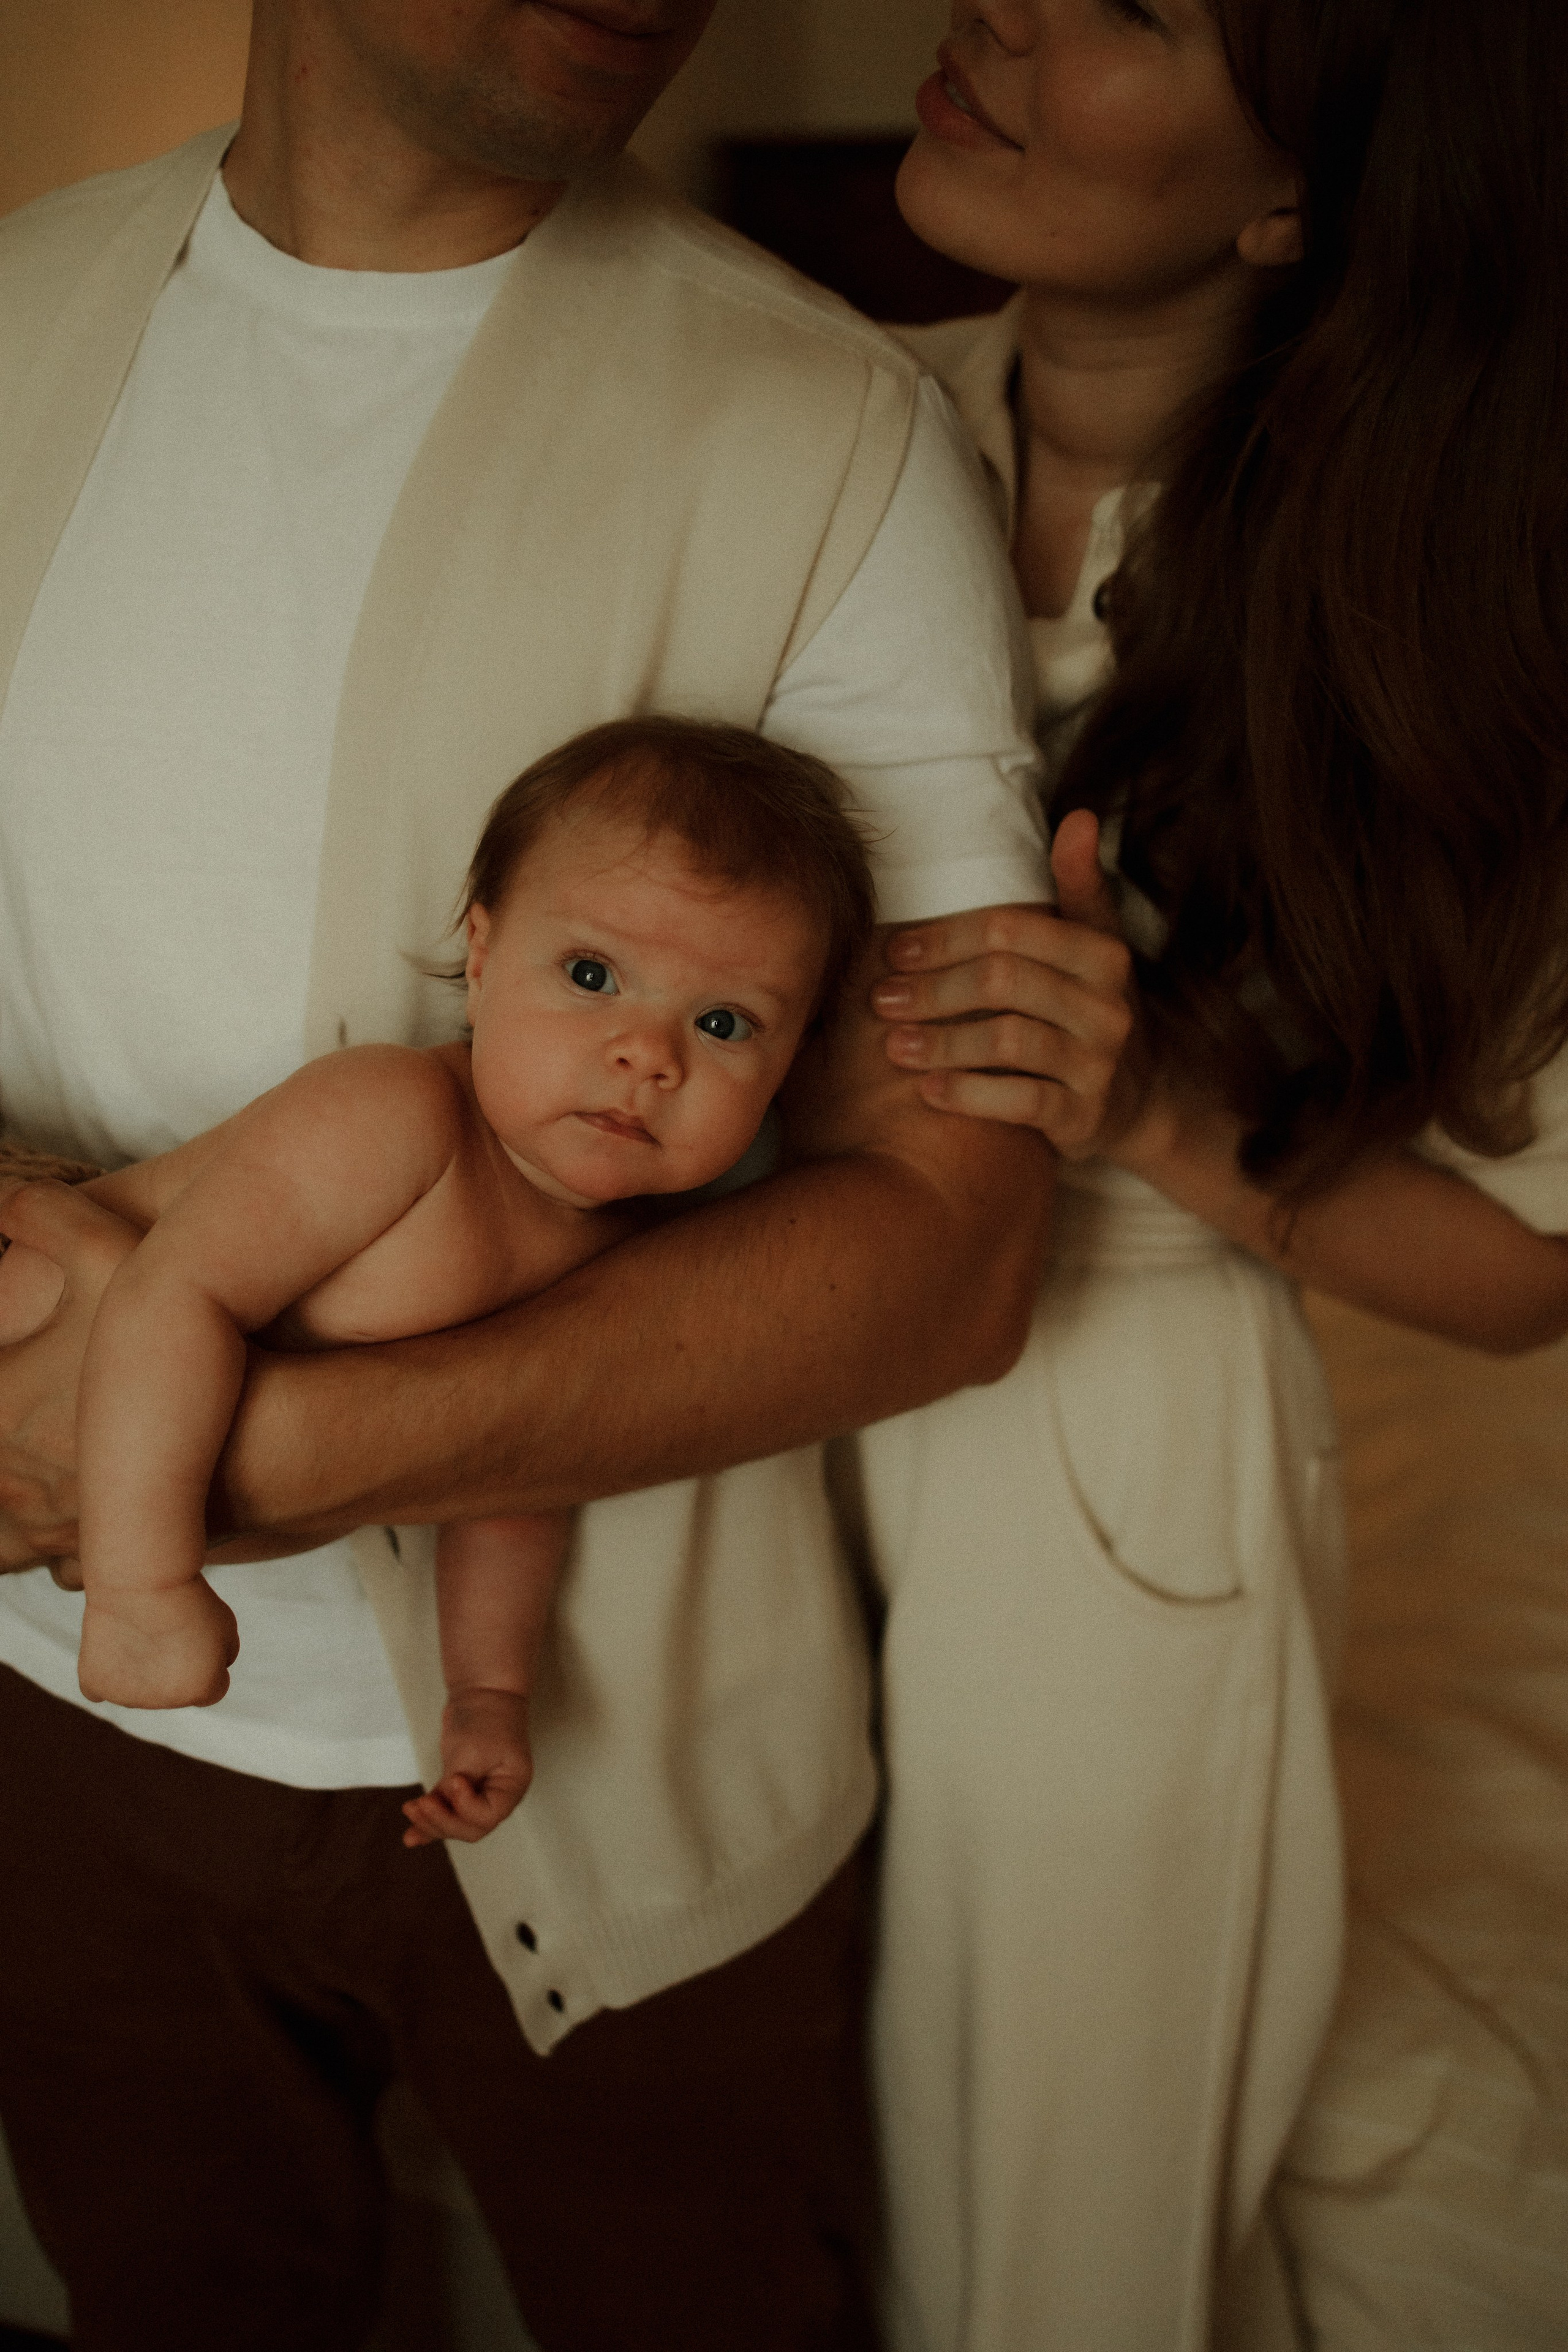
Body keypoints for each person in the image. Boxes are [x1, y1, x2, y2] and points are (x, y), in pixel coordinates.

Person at [0, 3, 1136, 2344]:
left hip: (620, 1775)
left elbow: (947, 1256)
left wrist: (267, 1444)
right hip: (53, 1732)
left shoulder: (821, 431)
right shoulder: (16, 317)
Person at [839, 1, 1568, 2346]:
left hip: (1115, 1426)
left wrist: (1158, 1104)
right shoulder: (829, 415)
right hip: (746, 1372)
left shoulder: (1432, 609)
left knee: (1044, 2236)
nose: (1004, 13)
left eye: (1140, 4)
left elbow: (1522, 1268)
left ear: (1293, 192)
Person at [4, 720, 872, 1861]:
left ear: (792, 1064)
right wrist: (140, 1581)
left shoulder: (621, 1262)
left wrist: (489, 1693)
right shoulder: (396, 1119)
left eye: (722, 1025)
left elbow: (510, 1474)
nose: (645, 1053)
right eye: (593, 975)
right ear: (482, 951)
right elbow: (172, 1297)